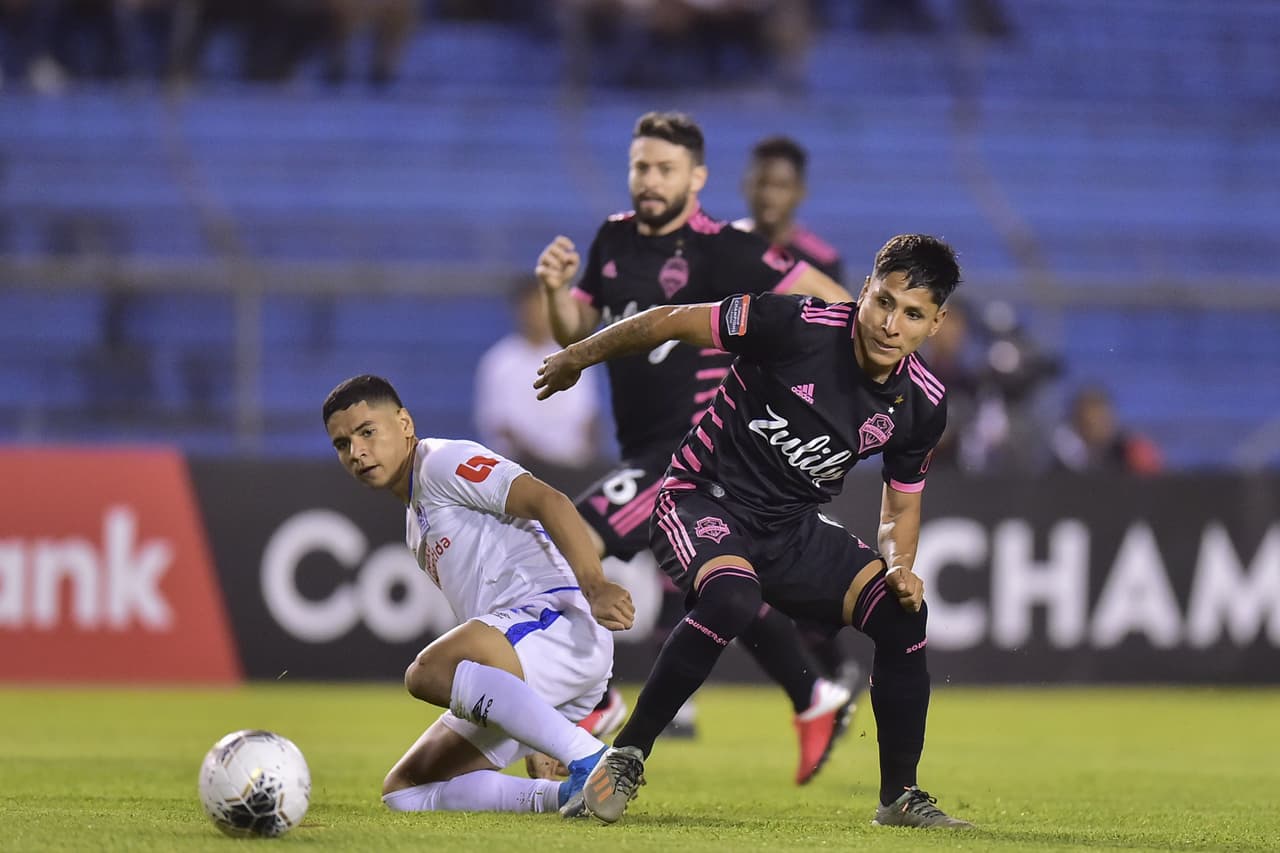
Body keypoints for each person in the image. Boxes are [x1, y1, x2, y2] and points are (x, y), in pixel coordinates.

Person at [536, 234, 974, 828]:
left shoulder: (923, 404)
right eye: (883, 301)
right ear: (865, 289)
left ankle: (899, 797)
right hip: (699, 496)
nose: (891, 323)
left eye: (913, 313)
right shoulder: (793, 322)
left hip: (790, 529)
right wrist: (577, 356)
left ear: (936, 322)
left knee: (903, 617)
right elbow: (670, 319)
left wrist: (898, 565)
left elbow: (899, 510)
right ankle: (628, 754)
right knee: (733, 596)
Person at [536, 110, 857, 785]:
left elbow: (829, 303)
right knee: (722, 591)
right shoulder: (614, 237)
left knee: (568, 540)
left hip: (690, 453)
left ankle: (594, 704)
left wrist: (850, 366)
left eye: (665, 169)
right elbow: (579, 327)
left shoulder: (725, 249)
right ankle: (812, 695)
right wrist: (556, 290)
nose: (649, 181)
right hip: (642, 446)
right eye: (640, 167)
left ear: (698, 178)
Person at [322, 374, 635, 815]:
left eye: (367, 432)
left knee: (427, 673)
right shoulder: (416, 527)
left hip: (558, 622)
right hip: (530, 655)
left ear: (405, 423)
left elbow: (550, 501)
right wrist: (534, 731)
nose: (357, 452)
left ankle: (591, 757)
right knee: (406, 791)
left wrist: (595, 585)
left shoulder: (442, 462)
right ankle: (568, 796)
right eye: (342, 444)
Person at [474, 276, 602, 472]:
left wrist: (587, 460)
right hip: (521, 472)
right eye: (532, 306)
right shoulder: (500, 362)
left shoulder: (575, 356)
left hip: (573, 467)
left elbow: (588, 417)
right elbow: (501, 426)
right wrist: (544, 462)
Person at [736, 135, 844, 283]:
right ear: (745, 186)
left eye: (781, 186)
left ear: (800, 192)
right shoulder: (722, 246)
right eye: (761, 184)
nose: (768, 195)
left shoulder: (822, 261)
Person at [1051, 385, 1163, 475]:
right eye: (1089, 424)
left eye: (1103, 419)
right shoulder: (1064, 460)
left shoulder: (1131, 453)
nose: (1099, 427)